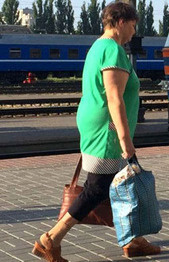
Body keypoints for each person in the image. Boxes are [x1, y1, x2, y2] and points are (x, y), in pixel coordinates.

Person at [32, 2, 160, 261]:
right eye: (133, 26)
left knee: (117, 186)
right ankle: (51, 239)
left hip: (97, 123)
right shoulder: (112, 50)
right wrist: (125, 140)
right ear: (121, 22)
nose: (134, 32)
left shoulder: (98, 46)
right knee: (97, 189)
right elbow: (115, 98)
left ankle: (133, 240)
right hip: (108, 129)